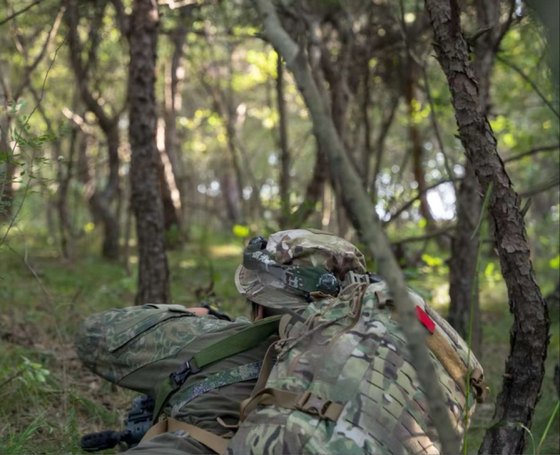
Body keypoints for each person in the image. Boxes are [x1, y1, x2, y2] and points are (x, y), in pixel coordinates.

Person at [75, 229, 367, 454]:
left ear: (260, 305)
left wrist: (190, 316)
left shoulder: (215, 338)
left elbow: (94, 335)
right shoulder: (383, 369)